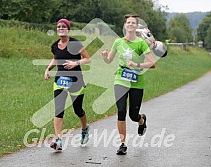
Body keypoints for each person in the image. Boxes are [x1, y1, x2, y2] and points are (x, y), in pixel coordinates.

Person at [101, 14, 155, 155]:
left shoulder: (141, 43)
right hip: (121, 79)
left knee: (133, 115)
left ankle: (141, 120)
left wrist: (136, 64)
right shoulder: (118, 42)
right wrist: (105, 57)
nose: (130, 24)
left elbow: (152, 63)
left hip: (137, 82)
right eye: (128, 22)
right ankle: (123, 144)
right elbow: (109, 60)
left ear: (136, 26)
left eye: (133, 23)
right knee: (121, 111)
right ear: (125, 26)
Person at [44, 18, 91, 151]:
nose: (60, 28)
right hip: (60, 81)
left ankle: (84, 128)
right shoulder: (54, 45)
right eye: (58, 26)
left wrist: (75, 63)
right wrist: (48, 69)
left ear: (68, 29)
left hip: (76, 81)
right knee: (59, 109)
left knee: (78, 110)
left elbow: (87, 59)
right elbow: (55, 58)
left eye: (63, 26)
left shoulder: (75, 44)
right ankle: (58, 139)